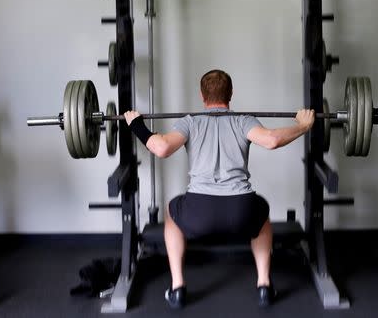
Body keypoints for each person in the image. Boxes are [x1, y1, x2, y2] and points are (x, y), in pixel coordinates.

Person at [124, 69, 315, 309]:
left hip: (198, 212)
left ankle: (177, 287)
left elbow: (161, 148)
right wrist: (304, 126)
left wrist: (136, 125)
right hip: (241, 211)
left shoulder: (190, 121)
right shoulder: (244, 119)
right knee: (262, 214)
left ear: (202, 96)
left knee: (172, 213)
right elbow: (272, 140)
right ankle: (264, 285)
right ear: (231, 94)